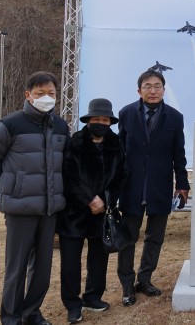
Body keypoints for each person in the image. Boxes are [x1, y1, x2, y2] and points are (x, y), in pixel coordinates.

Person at [0, 71, 69, 325]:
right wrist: (7, 193)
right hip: (19, 211)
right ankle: (11, 318)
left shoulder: (61, 126)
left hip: (49, 210)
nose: (46, 98)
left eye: (51, 93)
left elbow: (65, 166)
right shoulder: (8, 125)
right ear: (28, 95)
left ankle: (32, 313)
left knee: (42, 269)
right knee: (16, 269)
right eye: (40, 93)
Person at [116, 70, 189, 306]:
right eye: (148, 86)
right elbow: (119, 152)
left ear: (164, 90)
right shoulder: (126, 113)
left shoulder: (175, 117)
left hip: (160, 185)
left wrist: (182, 185)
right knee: (128, 238)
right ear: (139, 91)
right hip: (132, 185)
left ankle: (144, 280)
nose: (153, 90)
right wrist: (115, 183)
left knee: (155, 237)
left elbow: (179, 154)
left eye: (158, 86)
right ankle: (127, 285)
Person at [57, 98, 127, 323]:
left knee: (99, 259)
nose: (101, 123)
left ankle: (93, 297)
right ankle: (72, 304)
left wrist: (105, 201)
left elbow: (121, 176)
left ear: (110, 122)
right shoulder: (75, 142)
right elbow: (69, 176)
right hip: (73, 213)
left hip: (102, 215)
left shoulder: (116, 144)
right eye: (96, 119)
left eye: (105, 120)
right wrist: (89, 199)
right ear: (88, 121)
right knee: (70, 262)